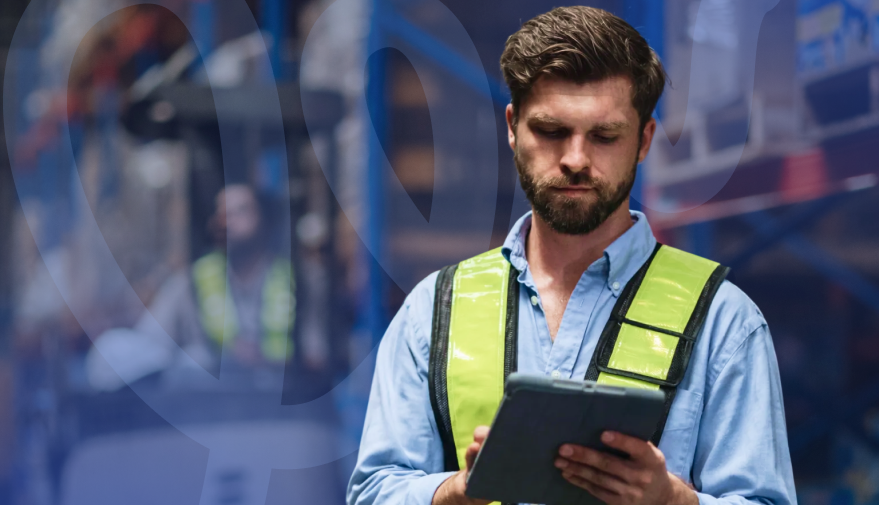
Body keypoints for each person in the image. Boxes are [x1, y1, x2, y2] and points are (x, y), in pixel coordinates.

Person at [347, 6, 796, 505]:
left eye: (605, 136)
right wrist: (453, 492)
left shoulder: (723, 323)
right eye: (551, 131)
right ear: (513, 127)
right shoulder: (433, 312)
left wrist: (672, 501)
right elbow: (374, 492)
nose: (576, 159)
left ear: (644, 140)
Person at [134, 183, 295, 373]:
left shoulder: (297, 282)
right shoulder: (189, 281)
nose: (227, 221)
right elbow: (147, 342)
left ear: (265, 222)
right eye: (222, 213)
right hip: (208, 397)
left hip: (276, 391)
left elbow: (317, 356)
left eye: (241, 211)